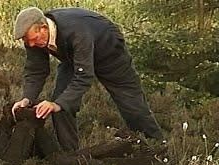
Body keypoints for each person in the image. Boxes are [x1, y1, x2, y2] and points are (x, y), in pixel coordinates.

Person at [12, 7, 163, 151]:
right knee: (61, 103)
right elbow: (36, 71)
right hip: (74, 57)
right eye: (27, 41)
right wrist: (27, 99)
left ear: (44, 27)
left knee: (132, 105)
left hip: (109, 53)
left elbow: (84, 76)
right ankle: (71, 156)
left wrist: (57, 104)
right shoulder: (33, 37)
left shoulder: (77, 31)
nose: (31, 44)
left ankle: (158, 147)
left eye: (33, 39)